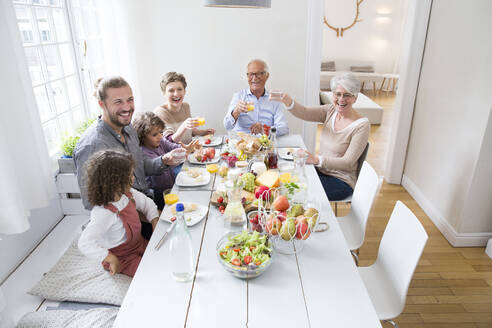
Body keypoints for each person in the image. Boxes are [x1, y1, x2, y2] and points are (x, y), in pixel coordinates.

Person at [73, 76, 186, 239]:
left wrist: (164, 160)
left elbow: (142, 166)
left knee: (194, 206)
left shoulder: (129, 129)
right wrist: (149, 216)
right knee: (180, 235)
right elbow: (92, 203)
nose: (127, 107)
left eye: (130, 100)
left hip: (147, 201)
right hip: (124, 222)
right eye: (118, 102)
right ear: (101, 104)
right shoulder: (92, 146)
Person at [271, 72, 370, 200]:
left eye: (347, 95)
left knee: (293, 191)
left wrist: (317, 160)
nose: (341, 99)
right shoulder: (330, 111)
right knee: (283, 179)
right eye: (337, 94)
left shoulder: (361, 125)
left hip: (341, 181)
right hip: (321, 171)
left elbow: (348, 162)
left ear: (355, 97)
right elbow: (305, 112)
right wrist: (287, 100)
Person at [78, 149, 159, 277]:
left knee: (164, 257)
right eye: (130, 175)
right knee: (152, 273)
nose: (133, 178)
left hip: (139, 244)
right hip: (123, 258)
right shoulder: (103, 213)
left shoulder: (127, 194)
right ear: (115, 182)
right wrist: (109, 257)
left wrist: (155, 222)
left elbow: (147, 204)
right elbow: (84, 243)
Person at [133, 111, 199, 210]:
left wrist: (186, 149)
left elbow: (174, 147)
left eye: (161, 132)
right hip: (158, 193)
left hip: (171, 184)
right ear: (142, 137)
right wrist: (174, 158)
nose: (160, 136)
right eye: (154, 134)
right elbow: (159, 170)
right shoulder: (144, 153)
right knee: (167, 211)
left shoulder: (161, 141)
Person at [223, 59, 289, 136]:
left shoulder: (274, 100)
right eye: (251, 74)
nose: (254, 78)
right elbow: (227, 126)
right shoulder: (238, 96)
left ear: (267, 76)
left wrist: (264, 129)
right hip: (242, 143)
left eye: (259, 74)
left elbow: (284, 128)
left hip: (265, 144)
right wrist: (236, 112)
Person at [154, 72, 214, 144]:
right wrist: (184, 126)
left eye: (179, 89)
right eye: (171, 90)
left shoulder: (185, 106)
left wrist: (204, 132)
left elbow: (189, 131)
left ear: (184, 91)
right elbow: (169, 141)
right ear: (164, 93)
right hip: (174, 154)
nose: (176, 94)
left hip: (190, 151)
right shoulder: (160, 112)